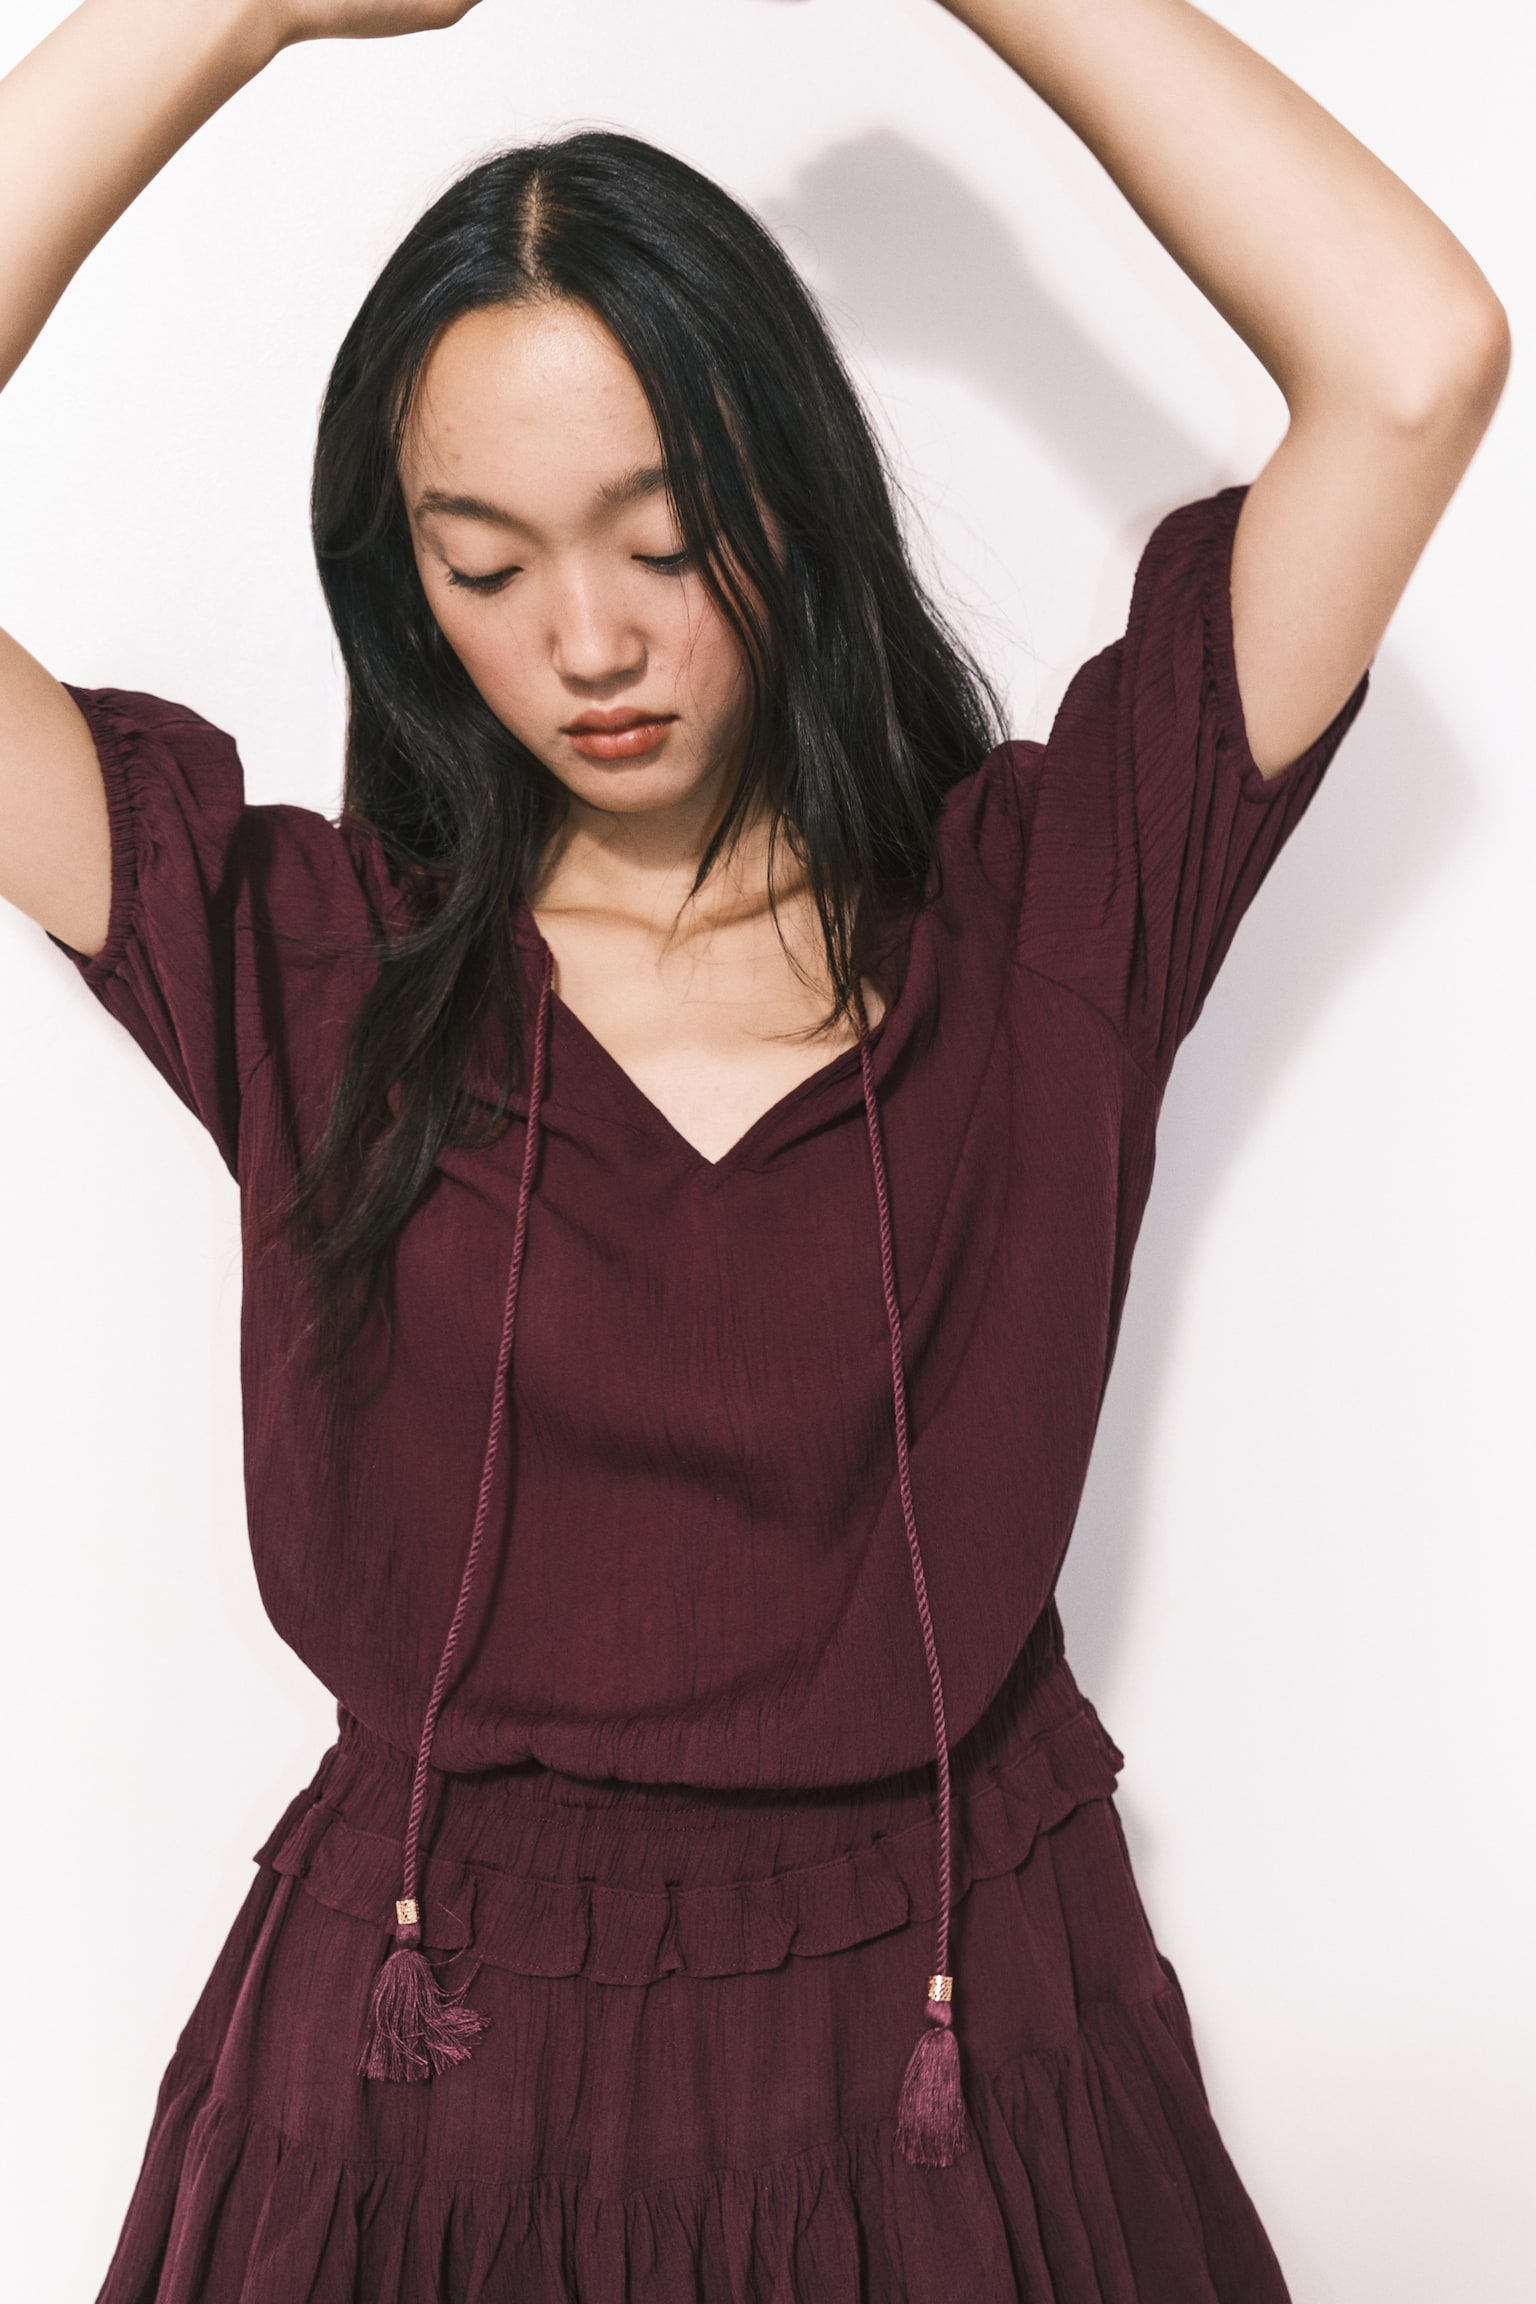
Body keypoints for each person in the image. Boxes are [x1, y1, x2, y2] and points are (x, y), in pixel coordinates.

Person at [0, 0, 1508, 2295]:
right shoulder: (301, 960)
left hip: (961, 2047)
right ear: (406, 588)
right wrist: (220, 18)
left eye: (666, 533)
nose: (588, 640)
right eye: (485, 565)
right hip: (424, 2077)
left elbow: (1415, 361)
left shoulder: (1053, 913)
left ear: (793, 495)